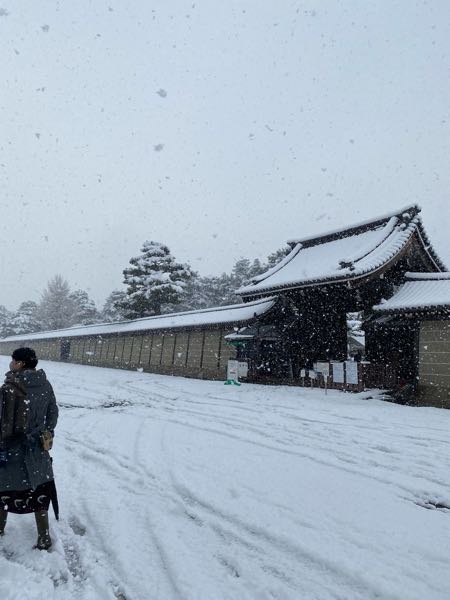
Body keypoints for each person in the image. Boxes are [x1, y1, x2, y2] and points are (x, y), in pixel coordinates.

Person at [0, 347, 58, 550]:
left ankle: (0, 529)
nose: (11, 363)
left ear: (20, 363)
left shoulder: (10, 387)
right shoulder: (45, 385)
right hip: (38, 452)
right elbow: (53, 413)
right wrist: (45, 434)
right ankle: (44, 537)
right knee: (39, 493)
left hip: (11, 449)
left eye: (13, 360)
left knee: (4, 490)